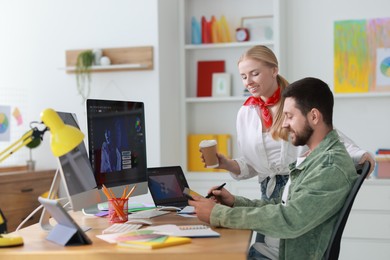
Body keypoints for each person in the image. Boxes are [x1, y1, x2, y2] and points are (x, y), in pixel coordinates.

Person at [206, 45, 375, 254]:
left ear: (274, 70)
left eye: (254, 73)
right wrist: (232, 193)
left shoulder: (296, 105)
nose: (248, 81)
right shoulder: (246, 113)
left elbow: (325, 136)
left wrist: (359, 155)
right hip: (272, 192)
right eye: (243, 76)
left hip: (294, 183)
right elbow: (253, 164)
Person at [190, 77, 359, 259]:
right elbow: (282, 207)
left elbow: (290, 219)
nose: (284, 124)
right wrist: (235, 202)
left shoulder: (329, 166)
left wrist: (218, 214)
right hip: (267, 251)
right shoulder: (313, 157)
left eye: (290, 116)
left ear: (314, 117)